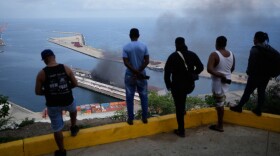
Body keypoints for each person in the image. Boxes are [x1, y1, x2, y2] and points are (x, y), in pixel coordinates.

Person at [35, 49, 79, 156]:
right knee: (73, 110)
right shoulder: (66, 68)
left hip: (53, 104)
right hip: (68, 100)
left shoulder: (42, 73)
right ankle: (73, 127)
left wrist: (49, 93)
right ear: (54, 56)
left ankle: (62, 151)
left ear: (44, 60)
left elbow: (38, 91)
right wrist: (67, 88)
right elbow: (75, 83)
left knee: (57, 128)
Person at [230, 31, 278, 116]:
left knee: (247, 92)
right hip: (266, 76)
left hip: (255, 75)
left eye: (254, 38)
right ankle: (258, 109)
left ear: (256, 39)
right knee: (261, 92)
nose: (253, 40)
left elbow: (251, 62)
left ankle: (239, 107)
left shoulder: (255, 49)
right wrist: (273, 72)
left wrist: (249, 72)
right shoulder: (269, 48)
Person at [164, 37, 203, 137]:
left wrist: (169, 86)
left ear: (176, 44)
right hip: (189, 85)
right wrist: (193, 74)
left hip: (177, 86)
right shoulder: (192, 54)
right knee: (183, 99)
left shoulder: (172, 56)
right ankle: (183, 110)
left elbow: (167, 74)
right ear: (184, 43)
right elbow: (201, 67)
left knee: (178, 107)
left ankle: (181, 130)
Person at [207, 36, 235, 132]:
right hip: (226, 82)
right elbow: (232, 68)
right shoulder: (231, 54)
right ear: (225, 44)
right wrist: (225, 75)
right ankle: (219, 124)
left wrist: (220, 75)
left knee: (219, 105)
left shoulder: (214, 54)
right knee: (220, 103)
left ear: (216, 43)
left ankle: (220, 125)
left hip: (218, 83)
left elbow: (209, 69)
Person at [122, 28, 149, 125]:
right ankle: (145, 118)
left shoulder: (126, 47)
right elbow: (147, 61)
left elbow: (126, 62)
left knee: (130, 97)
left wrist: (134, 72)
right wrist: (139, 71)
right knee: (144, 96)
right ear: (139, 35)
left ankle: (130, 119)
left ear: (130, 35)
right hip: (141, 75)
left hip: (130, 75)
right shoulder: (144, 46)